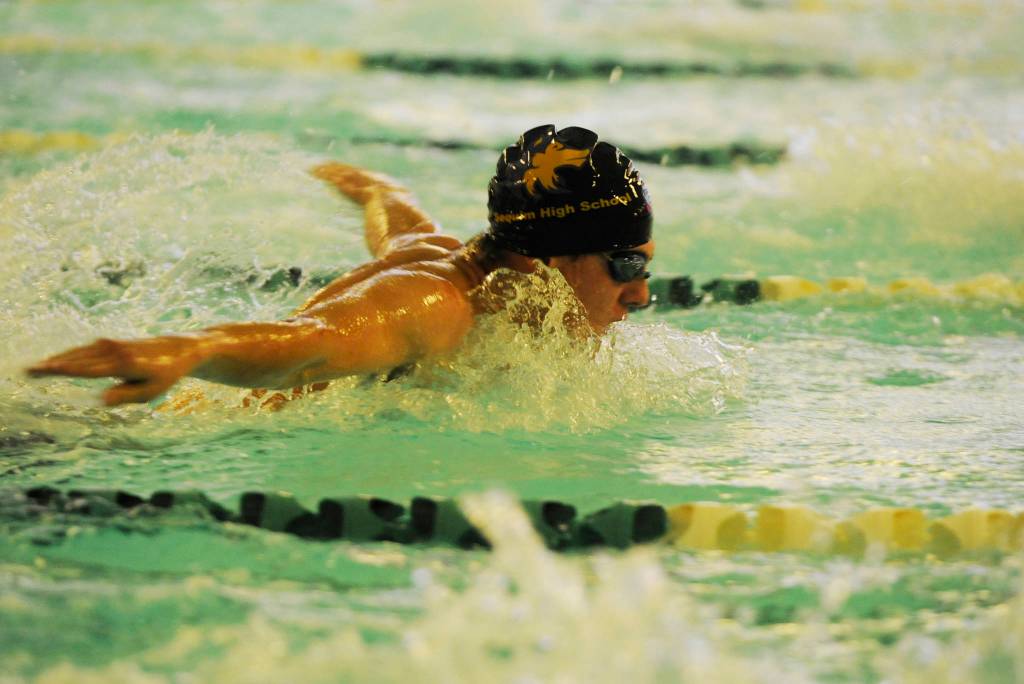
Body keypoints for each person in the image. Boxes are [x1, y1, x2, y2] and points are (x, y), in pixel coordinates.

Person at [26, 124, 655, 406]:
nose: (641, 296)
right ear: (544, 259)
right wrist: (191, 348)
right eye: (625, 266)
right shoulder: (436, 304)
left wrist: (366, 183)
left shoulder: (438, 252)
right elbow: (311, 346)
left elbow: (393, 204)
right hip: (121, 441)